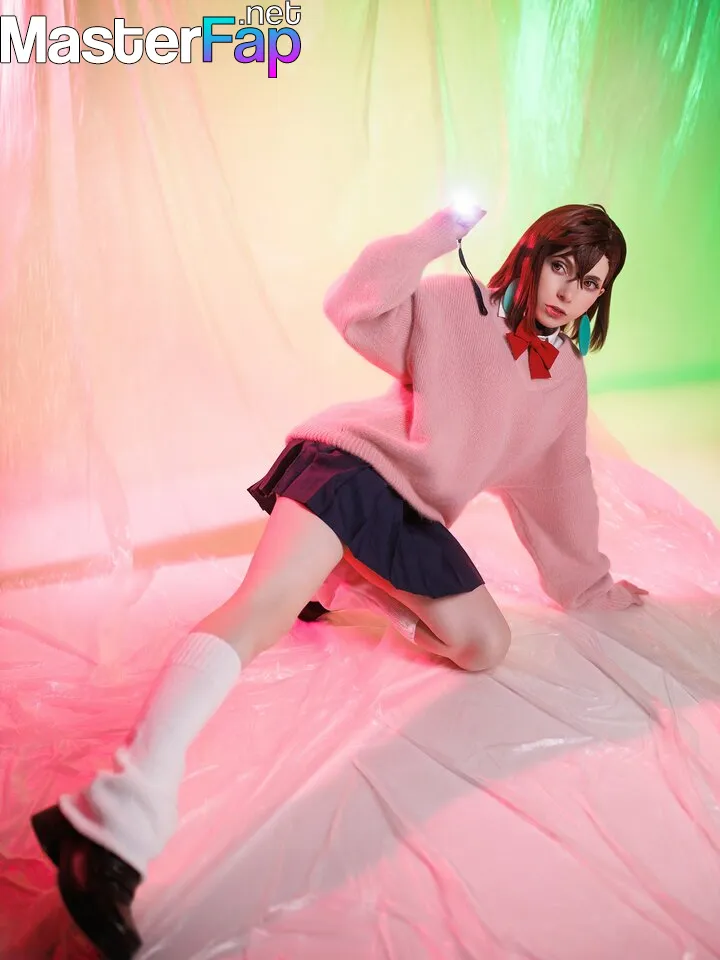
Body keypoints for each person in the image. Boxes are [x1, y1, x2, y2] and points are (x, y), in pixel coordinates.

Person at [30, 202, 648, 959]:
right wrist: (430, 238)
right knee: (260, 610)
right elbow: (353, 308)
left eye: (591, 283)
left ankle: (342, 578)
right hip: (354, 465)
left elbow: (563, 484)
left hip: (415, 513)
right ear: (531, 255)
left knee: (485, 644)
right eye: (561, 267)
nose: (570, 291)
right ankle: (117, 816)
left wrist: (588, 583)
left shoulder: (565, 383)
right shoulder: (456, 305)